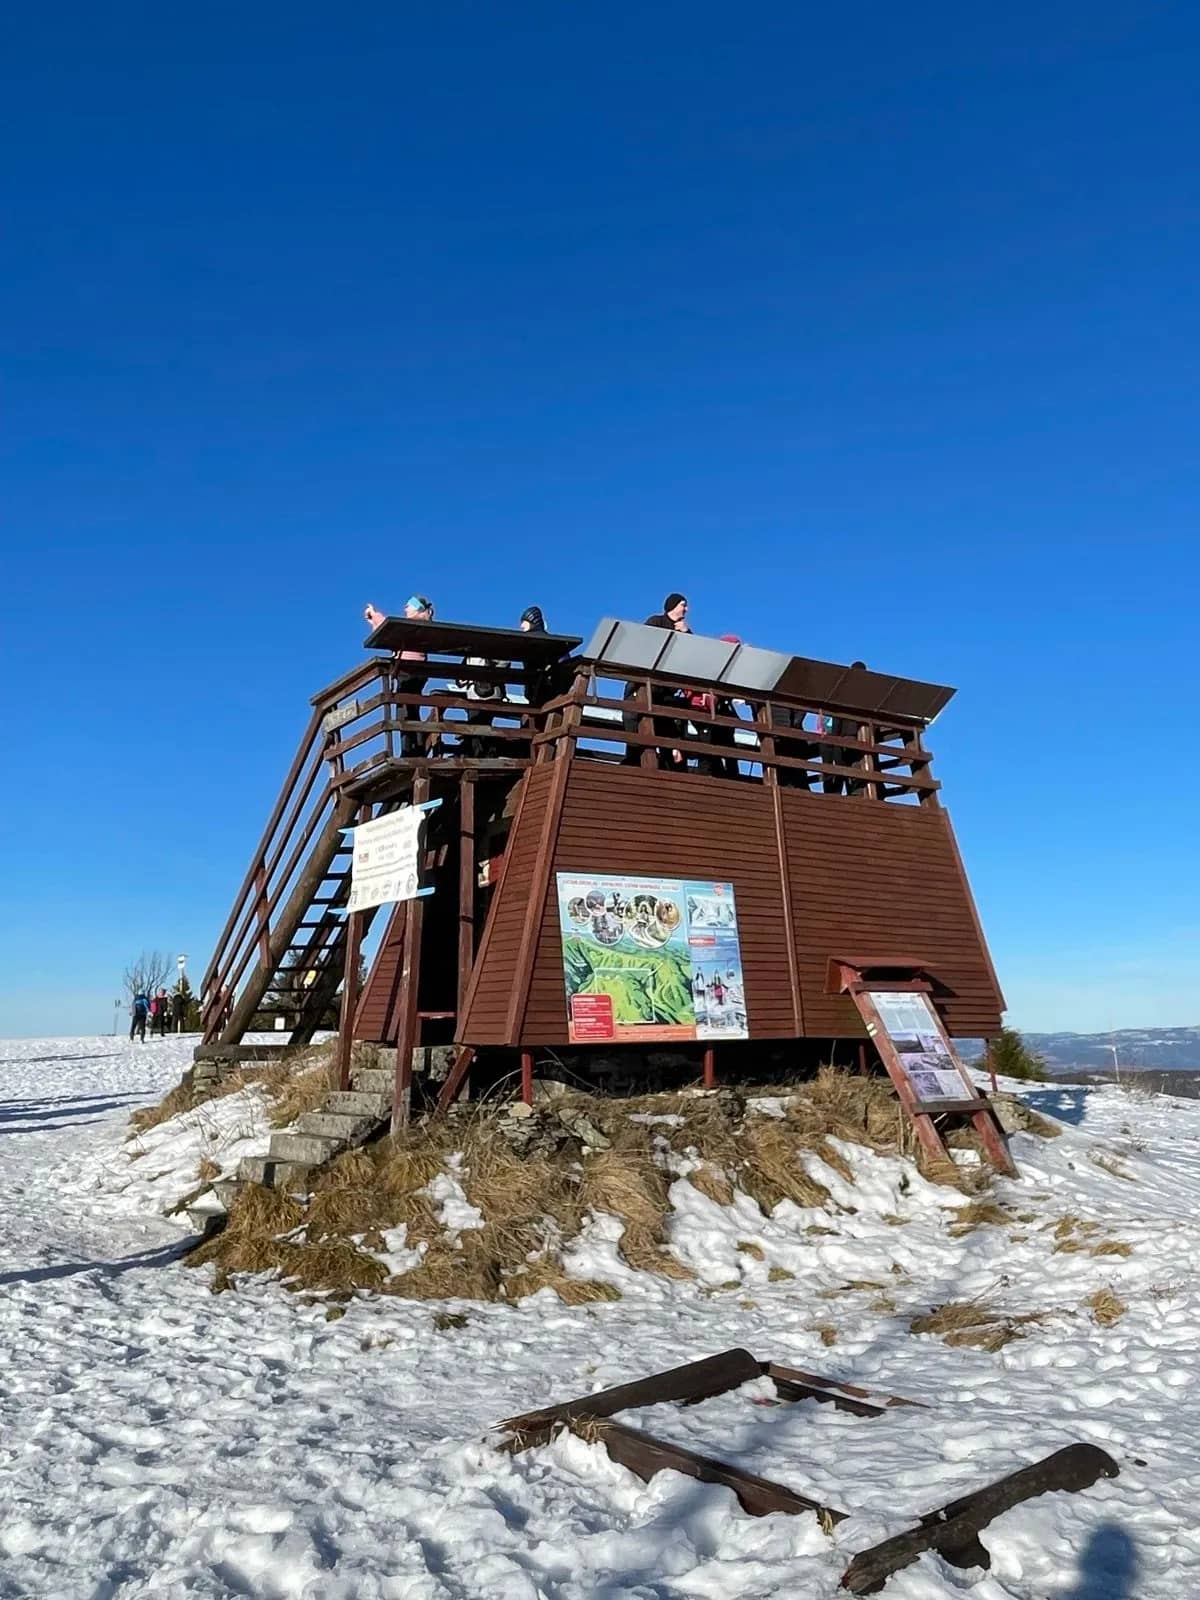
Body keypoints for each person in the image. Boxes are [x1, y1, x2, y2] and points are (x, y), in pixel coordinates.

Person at [622, 593, 691, 766]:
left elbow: (691, 655)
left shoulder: (685, 629)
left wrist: (687, 634)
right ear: (673, 606)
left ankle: (667, 764)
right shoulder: (656, 621)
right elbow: (646, 643)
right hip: (643, 686)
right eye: (683, 605)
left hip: (665, 691)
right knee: (635, 722)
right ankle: (634, 762)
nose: (686, 609)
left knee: (665, 726)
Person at [363, 595, 435, 755]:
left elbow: (388, 628)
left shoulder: (413, 625)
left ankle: (409, 751)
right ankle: (415, 749)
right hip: (418, 672)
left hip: (408, 672)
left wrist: (375, 615)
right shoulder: (423, 624)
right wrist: (374, 621)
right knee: (412, 710)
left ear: (418, 608)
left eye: (409, 605)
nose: (405, 608)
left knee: (404, 712)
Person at [818, 661, 867, 795]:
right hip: (850, 736)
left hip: (839, 737)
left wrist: (829, 737)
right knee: (850, 767)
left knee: (837, 767)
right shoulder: (862, 692)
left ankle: (834, 794)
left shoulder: (840, 692)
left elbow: (830, 721)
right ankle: (855, 794)